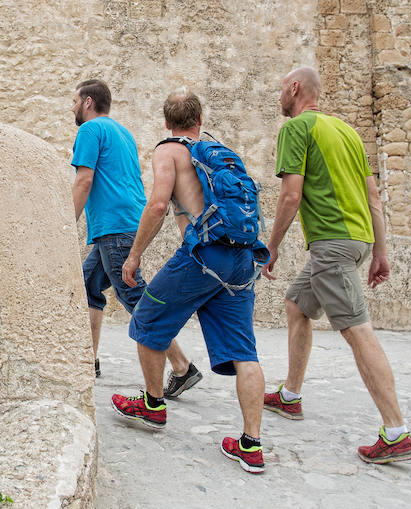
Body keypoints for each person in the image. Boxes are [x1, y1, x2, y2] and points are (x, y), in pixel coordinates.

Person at [261, 66, 411, 464]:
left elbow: (290, 196)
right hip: (357, 240)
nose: (280, 94)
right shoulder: (347, 132)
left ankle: (396, 432)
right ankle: (290, 395)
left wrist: (272, 246)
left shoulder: (296, 129)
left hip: (331, 244)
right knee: (297, 304)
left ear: (294, 88)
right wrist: (379, 252)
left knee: (357, 331)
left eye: (282, 87)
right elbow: (374, 198)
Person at [113, 91, 268, 474]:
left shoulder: (168, 151)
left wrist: (134, 255)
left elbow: (158, 205)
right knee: (244, 352)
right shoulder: (219, 152)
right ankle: (250, 445)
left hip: (204, 256)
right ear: (200, 118)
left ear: (167, 122)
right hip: (242, 259)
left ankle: (152, 406)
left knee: (147, 317)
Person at [71, 79, 201, 395]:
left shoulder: (89, 131)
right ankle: (90, 360)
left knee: (136, 299)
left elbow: (84, 180)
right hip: (125, 223)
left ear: (88, 102)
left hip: (114, 228)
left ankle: (183, 367)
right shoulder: (123, 132)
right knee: (87, 285)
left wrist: (65, 223)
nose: (72, 108)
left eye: (74, 101)